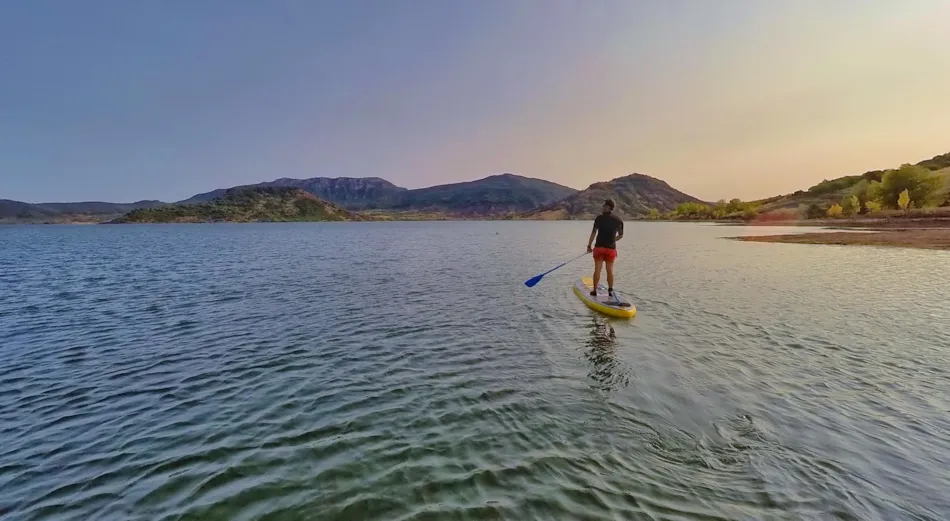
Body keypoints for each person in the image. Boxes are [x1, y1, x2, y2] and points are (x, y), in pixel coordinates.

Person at [586, 199, 623, 297]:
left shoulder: (599, 218)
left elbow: (594, 232)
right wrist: (612, 240)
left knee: (597, 269)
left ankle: (594, 291)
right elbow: (620, 235)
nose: (602, 207)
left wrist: (589, 246)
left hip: (599, 248)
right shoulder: (618, 220)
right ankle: (610, 291)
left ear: (607, 207)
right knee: (610, 269)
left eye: (603, 205)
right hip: (611, 249)